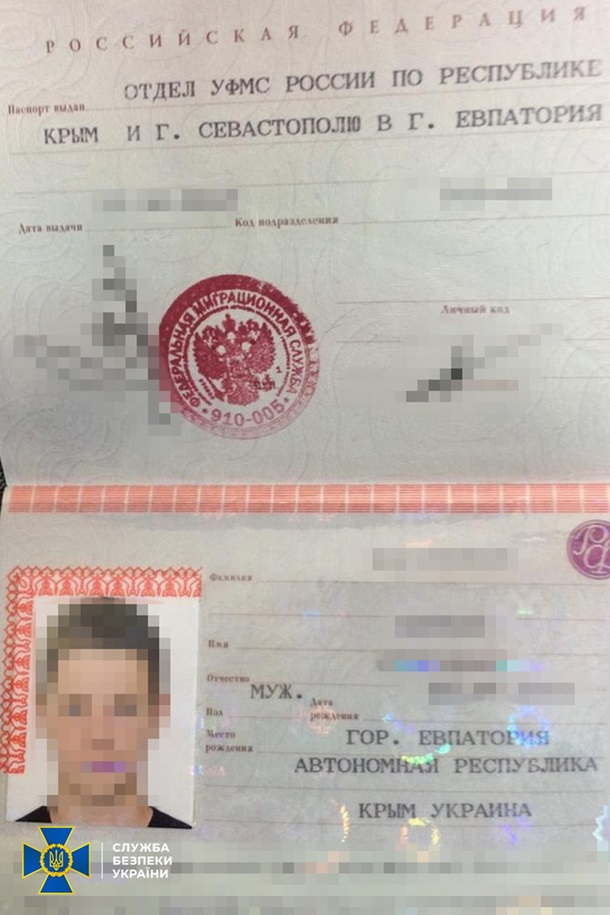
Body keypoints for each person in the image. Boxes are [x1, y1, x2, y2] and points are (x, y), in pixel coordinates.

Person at [17, 597, 191, 828]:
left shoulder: (193, 844)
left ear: (156, 714)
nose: (99, 735)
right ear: (43, 713)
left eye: (123, 709)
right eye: (76, 708)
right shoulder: (9, 840)